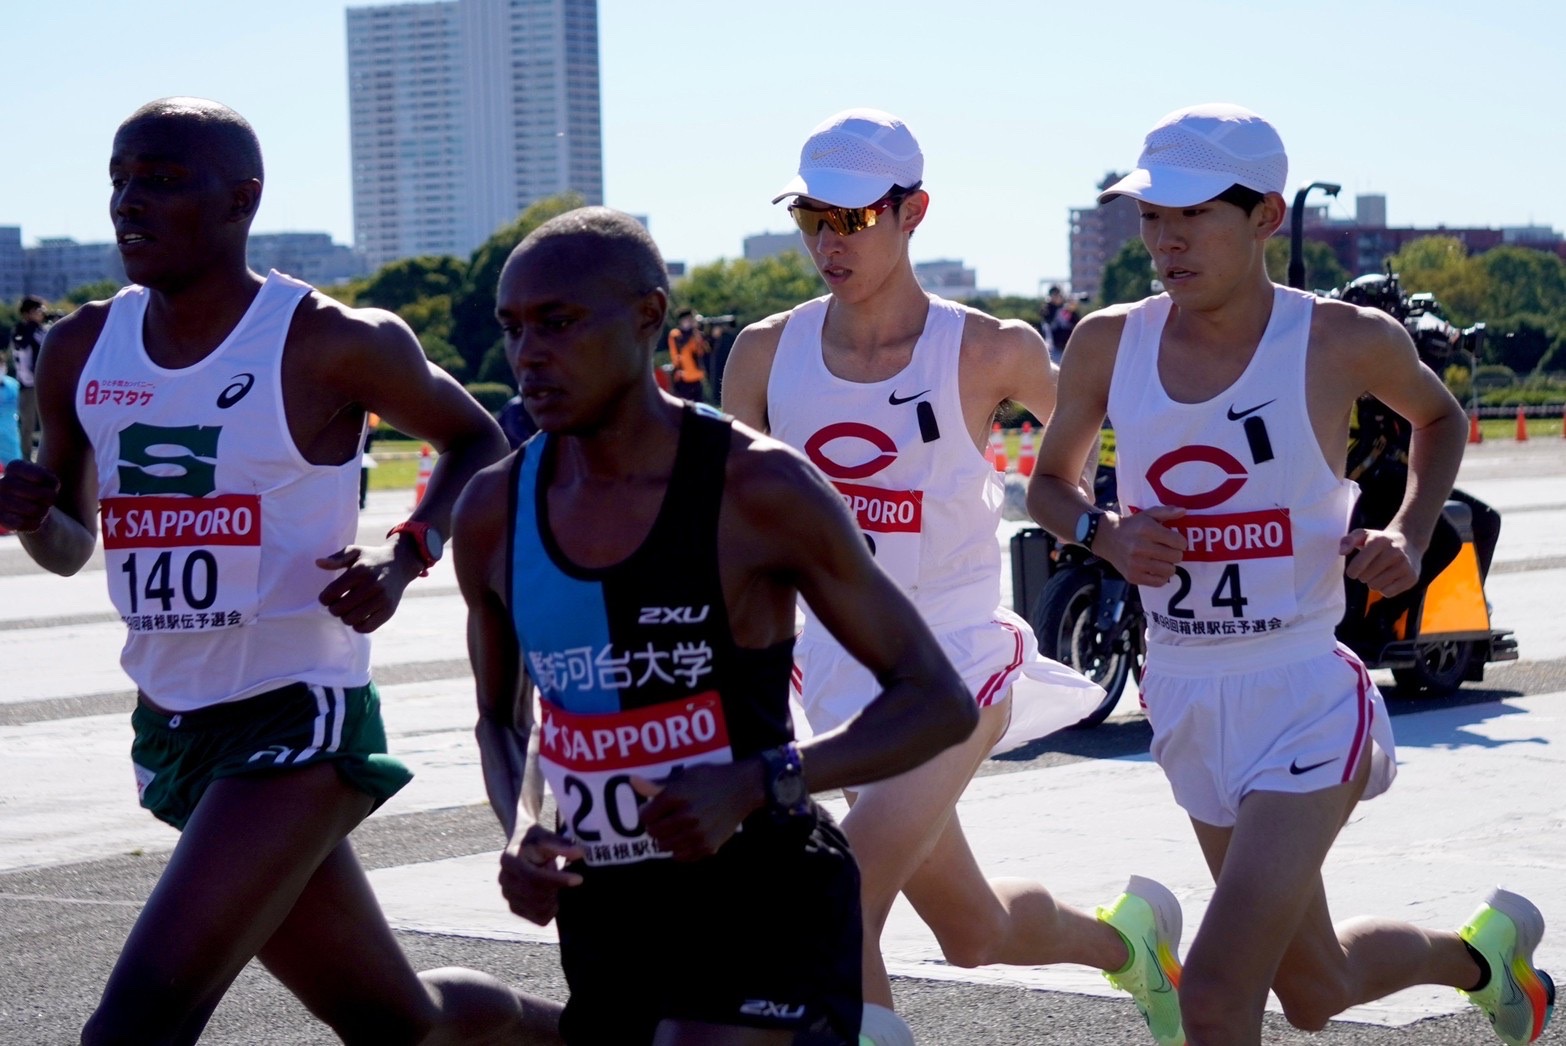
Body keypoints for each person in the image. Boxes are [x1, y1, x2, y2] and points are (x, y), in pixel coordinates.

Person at [0, 97, 563, 1044]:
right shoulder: (80, 348)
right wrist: (29, 518)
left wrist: (402, 551)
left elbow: (478, 441)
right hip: (175, 730)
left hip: (300, 714)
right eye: (120, 180)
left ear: (241, 200)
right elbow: (70, 545)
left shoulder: (329, 339)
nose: (128, 203)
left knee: (132, 1026)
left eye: (163, 180)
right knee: (406, 1027)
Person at [1027, 102, 1554, 1046]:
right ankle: (1487, 961)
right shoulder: (1112, 341)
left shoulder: (1338, 338)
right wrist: (1103, 534)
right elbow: (1048, 487)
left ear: (1266, 215)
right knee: (1316, 989)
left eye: (1191, 215)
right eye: (1151, 215)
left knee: (1217, 994)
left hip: (1304, 695)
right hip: (1184, 694)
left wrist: (1407, 526)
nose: (1165, 240)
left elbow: (1441, 420)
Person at [453, 204, 978, 1045]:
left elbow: (938, 702)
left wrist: (754, 782)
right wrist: (522, 829)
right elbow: (500, 718)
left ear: (649, 316)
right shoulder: (491, 512)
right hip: (610, 913)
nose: (528, 356)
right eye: (513, 329)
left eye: (558, 323)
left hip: (764, 894)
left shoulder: (759, 489)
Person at [721, 107, 1181, 1046]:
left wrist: (1110, 525)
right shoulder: (766, 352)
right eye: (813, 217)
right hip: (836, 673)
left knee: (834, 889)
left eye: (850, 219)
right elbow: (732, 525)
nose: (825, 242)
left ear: (913, 211)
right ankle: (1130, 946)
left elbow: (1110, 429)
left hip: (957, 663)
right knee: (974, 934)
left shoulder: (990, 350)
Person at [10, 294, 46, 461]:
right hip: (28, 384)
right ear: (27, 313)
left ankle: (47, 457)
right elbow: (21, 344)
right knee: (27, 425)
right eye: (36, 310)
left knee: (50, 424)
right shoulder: (20, 329)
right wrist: (31, 326)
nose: (40, 313)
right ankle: (26, 458)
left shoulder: (42, 331)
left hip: (45, 383)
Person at [667, 307, 708, 401]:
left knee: (698, 408)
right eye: (688, 319)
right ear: (681, 321)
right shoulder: (676, 334)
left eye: (691, 319)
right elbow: (679, 349)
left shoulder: (696, 334)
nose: (690, 322)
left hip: (697, 377)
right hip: (683, 378)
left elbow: (704, 351)